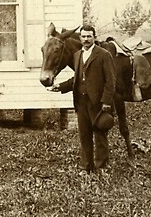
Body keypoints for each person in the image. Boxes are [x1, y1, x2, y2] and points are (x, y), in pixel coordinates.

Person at [50, 24, 117, 172]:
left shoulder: (104, 55)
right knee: (84, 135)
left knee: (100, 135)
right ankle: (86, 166)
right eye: (84, 36)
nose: (86, 39)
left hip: (97, 102)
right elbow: (77, 79)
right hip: (81, 102)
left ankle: (101, 167)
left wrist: (106, 101)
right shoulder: (77, 55)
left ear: (94, 37)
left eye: (89, 36)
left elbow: (111, 81)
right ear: (80, 38)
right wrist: (60, 87)